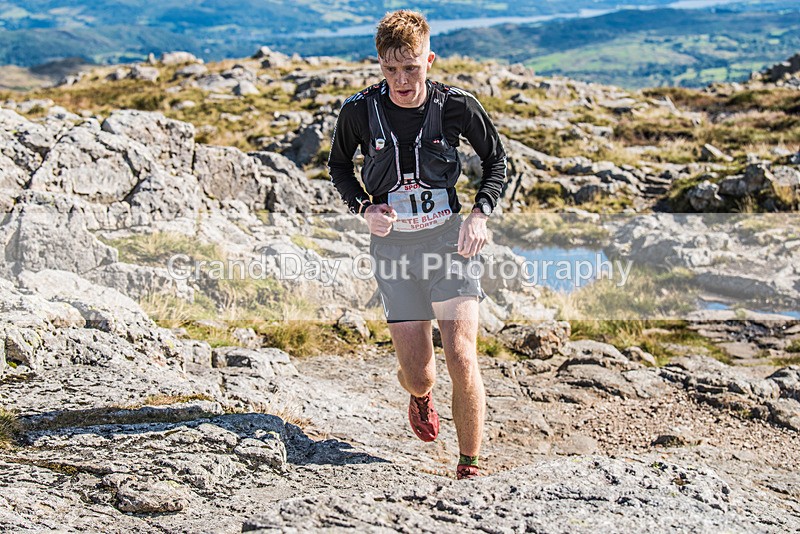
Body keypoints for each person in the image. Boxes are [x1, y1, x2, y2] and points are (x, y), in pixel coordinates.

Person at [327, 9, 506, 480]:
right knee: (421, 373)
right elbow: (339, 168)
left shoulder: (456, 106)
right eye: (390, 69)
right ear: (379, 64)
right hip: (395, 253)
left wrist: (479, 214)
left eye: (411, 67)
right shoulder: (359, 111)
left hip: (450, 244)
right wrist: (364, 208)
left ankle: (469, 464)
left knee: (461, 353)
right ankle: (421, 397)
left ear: (429, 59)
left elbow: (497, 162)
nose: (401, 79)